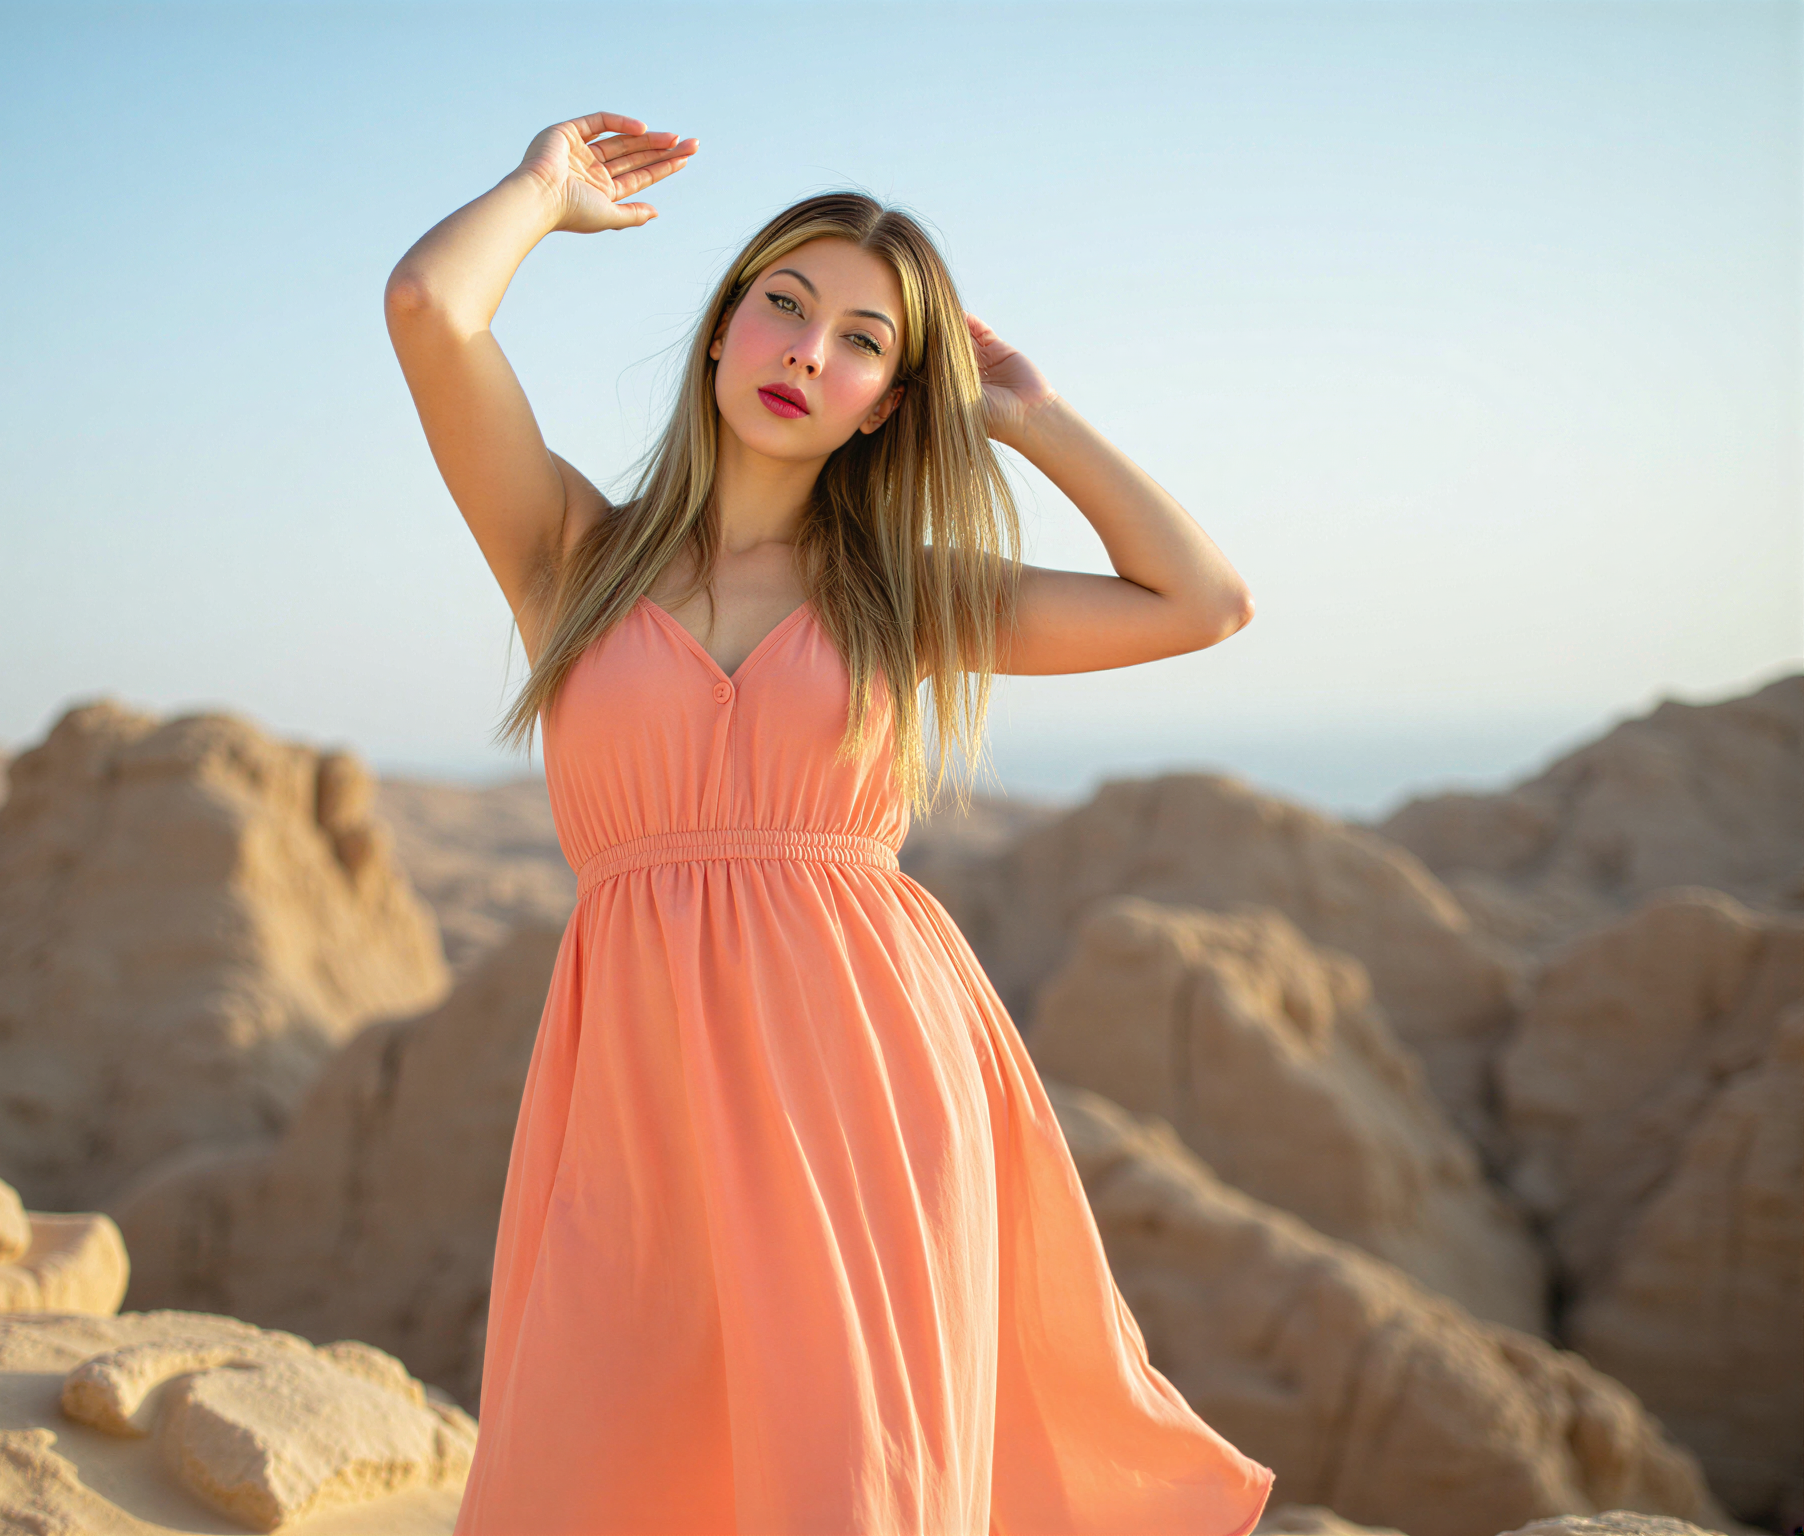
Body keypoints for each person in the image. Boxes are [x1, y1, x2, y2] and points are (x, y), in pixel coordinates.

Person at [384, 110, 1275, 1536]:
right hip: (638, 1087)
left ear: (888, 402)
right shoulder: (574, 558)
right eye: (785, 307)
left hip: (870, 1088)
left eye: (863, 341)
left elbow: (1201, 602)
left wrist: (1034, 418)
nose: (810, 352)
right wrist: (542, 194)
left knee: (846, 1480)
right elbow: (431, 312)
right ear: (723, 329)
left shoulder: (902, 592)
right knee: (600, 1460)